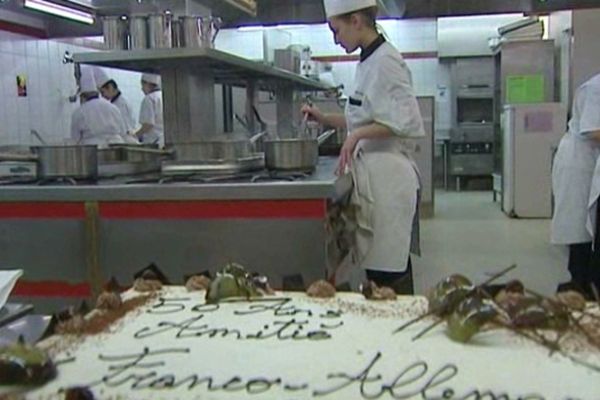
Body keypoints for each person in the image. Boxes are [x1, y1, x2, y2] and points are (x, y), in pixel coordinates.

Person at [303, 0, 424, 293]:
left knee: (388, 272)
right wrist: (324, 118)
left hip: (390, 180)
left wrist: (356, 137)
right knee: (378, 269)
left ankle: (397, 329)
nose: (335, 38)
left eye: (337, 29)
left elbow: (406, 121)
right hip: (376, 179)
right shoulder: (369, 60)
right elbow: (361, 118)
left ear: (356, 21)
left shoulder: (386, 61)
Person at [552, 72, 600, 299]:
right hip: (579, 164)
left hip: (589, 163)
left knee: (586, 228)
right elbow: (592, 130)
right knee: (580, 228)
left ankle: (582, 282)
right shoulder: (595, 88)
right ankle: (579, 285)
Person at [70, 66, 126, 148]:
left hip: (93, 149)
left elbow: (75, 138)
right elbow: (123, 131)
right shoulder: (113, 107)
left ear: (82, 96)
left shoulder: (79, 112)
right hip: (116, 146)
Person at [94, 68, 137, 136]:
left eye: (103, 92)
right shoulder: (120, 101)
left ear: (110, 87)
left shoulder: (120, 104)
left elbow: (124, 128)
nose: (102, 96)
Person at [135, 73, 164, 147]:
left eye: (143, 85)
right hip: (163, 141)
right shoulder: (163, 95)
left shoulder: (149, 98)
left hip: (153, 142)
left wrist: (135, 136)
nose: (142, 89)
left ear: (148, 84)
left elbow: (148, 124)